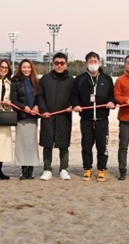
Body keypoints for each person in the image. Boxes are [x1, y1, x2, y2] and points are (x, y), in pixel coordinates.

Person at [72, 52, 116, 182]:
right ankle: (87, 169)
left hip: (102, 119)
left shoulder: (107, 79)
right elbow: (74, 96)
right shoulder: (79, 79)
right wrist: (76, 105)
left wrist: (111, 102)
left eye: (95, 61)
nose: (93, 63)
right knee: (86, 145)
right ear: (86, 64)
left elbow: (112, 96)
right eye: (90, 61)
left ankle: (102, 170)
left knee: (102, 146)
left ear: (99, 62)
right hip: (86, 119)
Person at [38, 52, 74, 181]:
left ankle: (64, 169)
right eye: (57, 63)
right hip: (48, 115)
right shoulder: (45, 79)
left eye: (62, 63)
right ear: (53, 64)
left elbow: (74, 97)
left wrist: (71, 106)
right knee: (47, 143)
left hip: (64, 116)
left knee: (63, 144)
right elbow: (40, 96)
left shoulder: (71, 80)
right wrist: (43, 110)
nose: (59, 65)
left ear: (66, 64)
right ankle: (47, 169)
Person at [10, 59, 40, 180]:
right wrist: (24, 107)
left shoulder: (36, 82)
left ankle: (31, 169)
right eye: (24, 67)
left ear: (31, 68)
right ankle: (23, 170)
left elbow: (39, 97)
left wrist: (37, 106)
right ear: (20, 68)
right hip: (21, 117)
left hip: (33, 117)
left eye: (28, 67)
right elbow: (14, 99)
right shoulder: (15, 81)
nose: (26, 69)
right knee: (21, 144)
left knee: (31, 144)